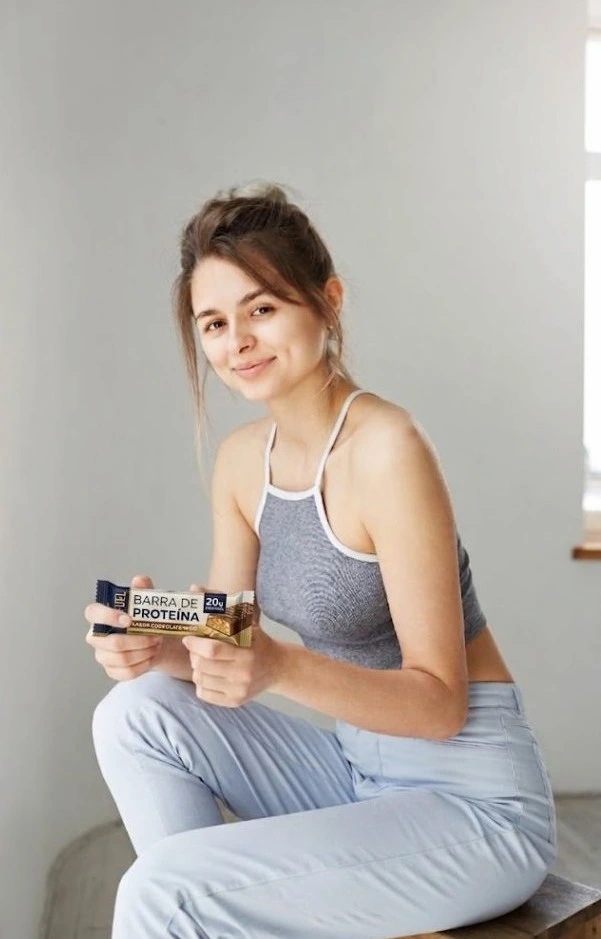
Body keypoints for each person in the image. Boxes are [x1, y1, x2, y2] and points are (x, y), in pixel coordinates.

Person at [84, 182, 557, 938]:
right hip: (353, 771)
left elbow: (440, 704)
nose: (236, 340)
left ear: (327, 301)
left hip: (472, 805)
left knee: (165, 890)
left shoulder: (387, 451)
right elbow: (231, 640)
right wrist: (153, 639)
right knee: (132, 714)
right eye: (214, 321)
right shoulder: (242, 462)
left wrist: (277, 666)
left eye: (261, 308)